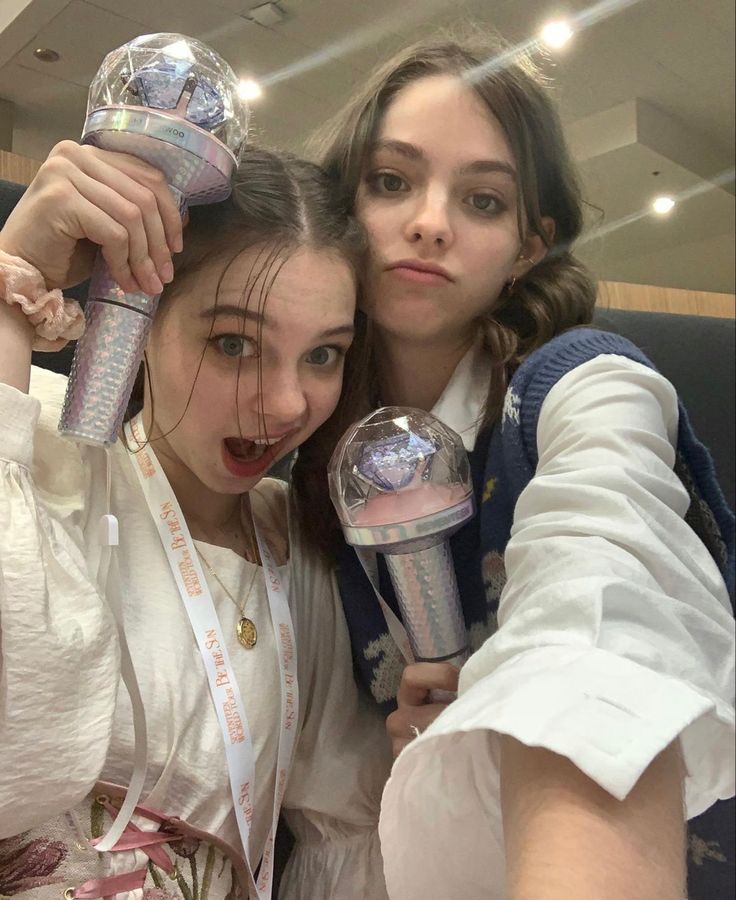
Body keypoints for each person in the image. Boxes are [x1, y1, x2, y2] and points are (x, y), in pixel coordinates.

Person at [291, 33, 736, 900]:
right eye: (391, 181)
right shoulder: (298, 441)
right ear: (343, 206)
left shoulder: (584, 391)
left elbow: (603, 606)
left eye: (483, 200)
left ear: (528, 249)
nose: (429, 220)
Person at [0, 142, 391, 899]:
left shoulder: (302, 551)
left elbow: (337, 828)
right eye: (235, 342)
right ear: (139, 314)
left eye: (323, 355)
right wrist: (14, 270)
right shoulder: (42, 453)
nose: (285, 404)